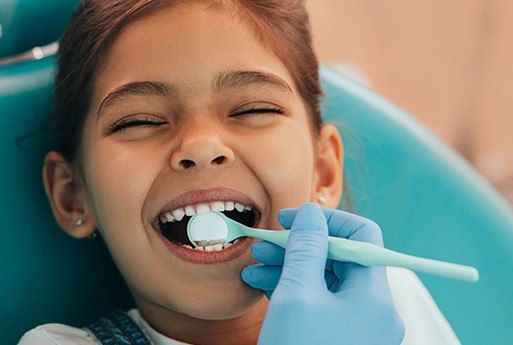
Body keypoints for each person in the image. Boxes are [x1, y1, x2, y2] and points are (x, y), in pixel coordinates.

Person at [19, 0, 460, 344]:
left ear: (323, 171)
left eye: (253, 109)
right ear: (72, 196)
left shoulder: (390, 303)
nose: (201, 145)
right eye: (141, 121)